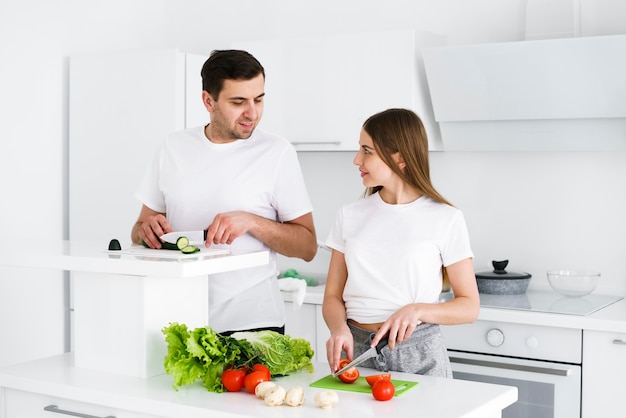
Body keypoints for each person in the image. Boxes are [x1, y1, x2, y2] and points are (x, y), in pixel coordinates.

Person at [131, 49, 318, 335]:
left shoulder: (277, 152)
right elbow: (138, 229)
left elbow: (307, 247)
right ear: (209, 101)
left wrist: (252, 221)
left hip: (253, 323)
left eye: (259, 99)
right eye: (238, 102)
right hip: (179, 317)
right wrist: (147, 231)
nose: (252, 113)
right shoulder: (173, 147)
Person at [323, 108, 479, 378]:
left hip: (419, 354)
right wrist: (338, 329)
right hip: (357, 354)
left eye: (367, 151)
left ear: (401, 158)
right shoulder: (349, 215)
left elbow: (469, 306)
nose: (357, 159)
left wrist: (416, 310)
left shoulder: (446, 218)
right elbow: (332, 297)